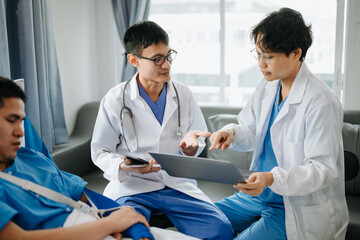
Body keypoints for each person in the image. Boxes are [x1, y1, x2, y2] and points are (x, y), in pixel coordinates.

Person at [209, 8, 348, 240]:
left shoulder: (321, 102)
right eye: (258, 55)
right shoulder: (268, 85)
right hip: (255, 196)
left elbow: (321, 170)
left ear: (295, 53)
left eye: (269, 57)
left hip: (292, 207)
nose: (261, 64)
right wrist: (231, 132)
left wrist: (272, 178)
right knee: (202, 220)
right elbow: (252, 131)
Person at [91, 21, 234, 240]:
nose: (166, 64)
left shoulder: (183, 94)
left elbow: (199, 139)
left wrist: (189, 149)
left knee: (221, 230)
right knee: (125, 231)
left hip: (177, 184)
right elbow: (100, 150)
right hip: (132, 187)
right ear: (133, 60)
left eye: (168, 56)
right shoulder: (114, 99)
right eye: (157, 59)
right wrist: (123, 165)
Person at [0, 77, 153, 240]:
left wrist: (139, 232)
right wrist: (111, 224)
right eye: (11, 120)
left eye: (21, 122)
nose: (20, 132)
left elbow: (95, 202)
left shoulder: (35, 159)